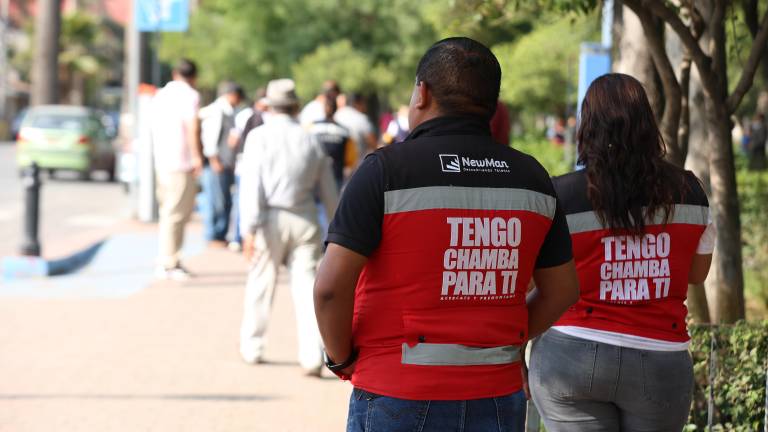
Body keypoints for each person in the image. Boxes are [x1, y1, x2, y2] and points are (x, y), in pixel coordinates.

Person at [314, 37, 579, 431]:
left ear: (422, 93)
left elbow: (330, 288)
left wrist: (340, 357)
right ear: (491, 104)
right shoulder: (532, 179)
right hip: (496, 395)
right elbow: (562, 290)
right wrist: (506, 338)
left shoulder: (385, 172)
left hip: (397, 391)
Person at [529, 73, 714, 432]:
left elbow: (534, 282)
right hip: (661, 360)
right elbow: (696, 274)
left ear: (588, 126)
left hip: (571, 356)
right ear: (648, 123)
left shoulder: (560, 195)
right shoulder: (691, 191)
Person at [238, 78, 338, 376]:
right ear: (295, 106)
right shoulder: (310, 139)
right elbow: (329, 191)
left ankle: (253, 347)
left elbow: (251, 186)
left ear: (269, 105)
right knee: (307, 289)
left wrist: (249, 229)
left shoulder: (259, 137)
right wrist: (335, 226)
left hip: (270, 216)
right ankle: (311, 355)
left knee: (260, 282)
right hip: (305, 216)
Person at [150, 59, 202, 280]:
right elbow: (192, 127)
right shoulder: (190, 95)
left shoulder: (160, 94)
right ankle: (169, 262)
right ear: (194, 77)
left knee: (168, 212)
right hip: (181, 162)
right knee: (176, 214)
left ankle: (169, 259)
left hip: (162, 161)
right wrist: (197, 156)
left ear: (174, 73)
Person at [199, 81, 243, 247]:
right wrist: (214, 160)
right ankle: (213, 235)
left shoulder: (229, 111)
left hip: (225, 164)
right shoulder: (217, 111)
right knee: (216, 201)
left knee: (224, 200)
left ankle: (220, 234)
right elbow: (209, 138)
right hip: (216, 164)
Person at [309, 94, 357, 189]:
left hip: (315, 176)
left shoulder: (312, 127)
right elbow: (351, 159)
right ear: (336, 109)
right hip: (335, 176)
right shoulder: (345, 131)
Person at [335, 92, 376, 161]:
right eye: (364, 103)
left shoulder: (336, 115)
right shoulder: (362, 118)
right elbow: (373, 144)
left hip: (337, 166)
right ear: (358, 103)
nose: (365, 106)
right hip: (358, 166)